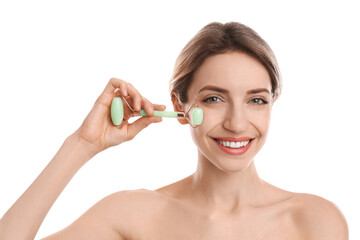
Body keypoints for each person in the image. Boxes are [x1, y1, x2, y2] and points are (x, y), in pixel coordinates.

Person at [0, 22, 348, 240]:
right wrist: (81, 144)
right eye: (214, 98)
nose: (237, 123)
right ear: (180, 108)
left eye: (256, 101)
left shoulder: (315, 221)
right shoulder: (132, 214)